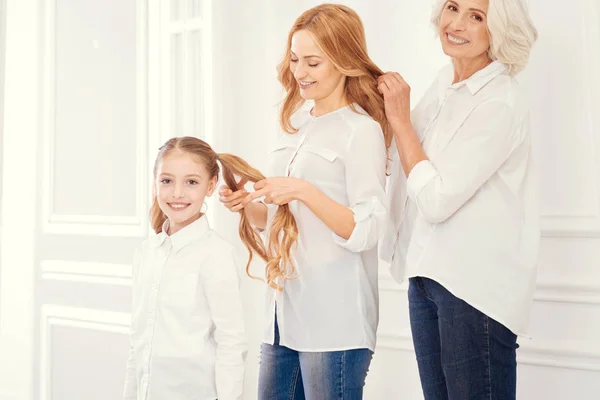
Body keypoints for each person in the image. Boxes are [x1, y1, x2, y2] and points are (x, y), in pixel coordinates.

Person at [219, 4, 391, 399]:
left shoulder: (360, 131)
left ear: (344, 61)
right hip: (282, 315)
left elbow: (367, 228)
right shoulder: (295, 127)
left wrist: (302, 190)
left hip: (335, 320)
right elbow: (276, 218)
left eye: (313, 62)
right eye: (295, 60)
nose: (299, 72)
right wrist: (247, 203)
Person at [378, 0, 539, 398]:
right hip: (427, 274)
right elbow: (403, 164)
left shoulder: (499, 100)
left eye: (477, 16)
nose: (457, 24)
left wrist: (400, 119)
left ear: (497, 32)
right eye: (453, 7)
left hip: (473, 285)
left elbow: (436, 198)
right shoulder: (442, 85)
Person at [123, 137, 253, 400]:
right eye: (166, 181)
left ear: (211, 186)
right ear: (155, 182)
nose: (177, 193)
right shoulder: (146, 253)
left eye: (191, 182)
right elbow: (138, 342)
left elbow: (231, 341)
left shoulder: (215, 254)